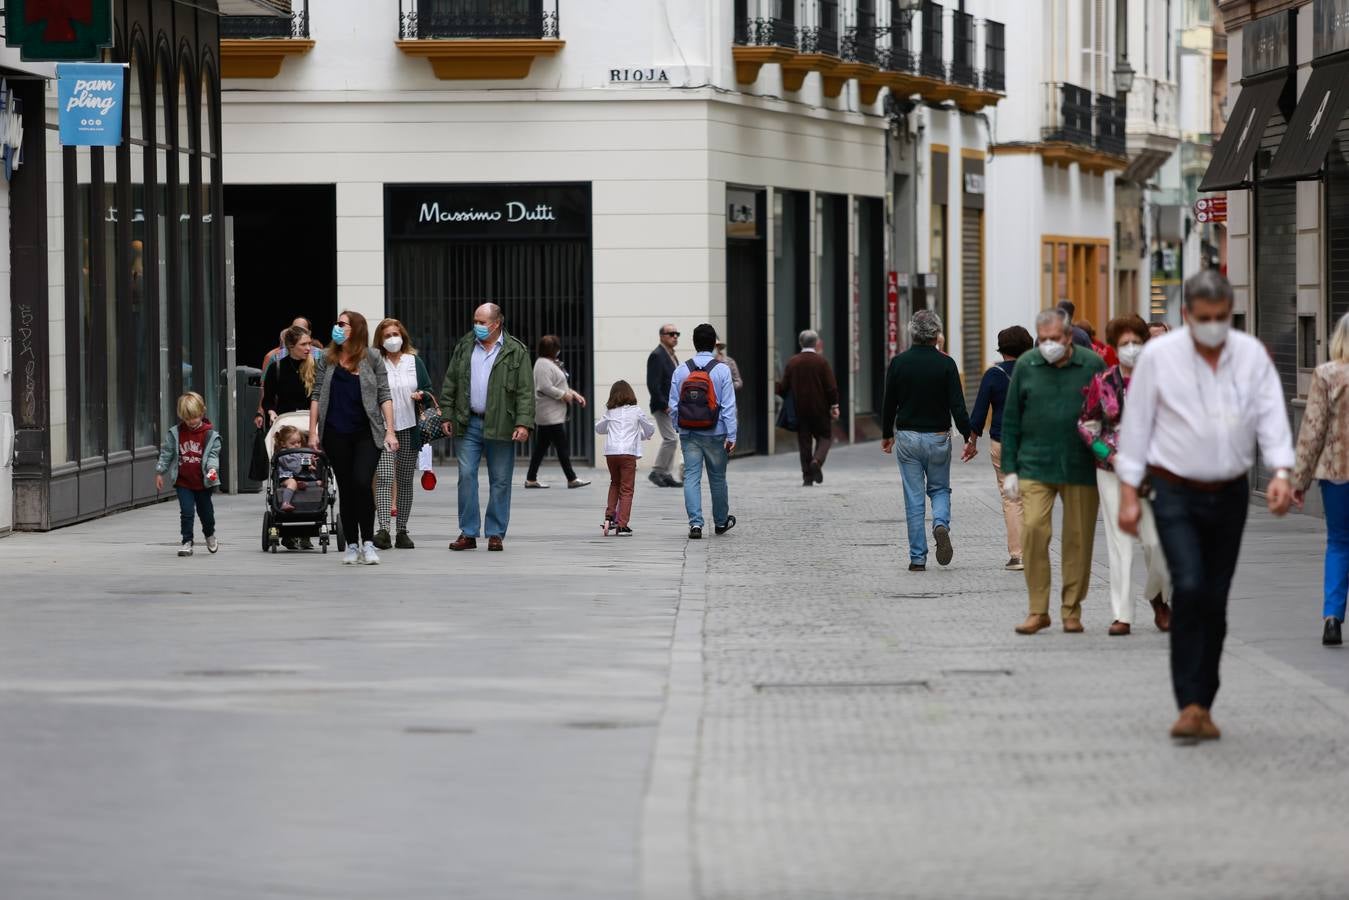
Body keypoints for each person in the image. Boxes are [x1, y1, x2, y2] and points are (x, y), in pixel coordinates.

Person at [1116, 270, 1294, 741]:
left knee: (1214, 597)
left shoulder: (1249, 356)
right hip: (1174, 490)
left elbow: (1271, 414)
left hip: (1231, 493)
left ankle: (1205, 700)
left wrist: (1280, 472)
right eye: (1204, 318)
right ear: (1187, 315)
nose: (1213, 326)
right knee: (1189, 585)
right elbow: (1137, 427)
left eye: (1220, 318)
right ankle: (1188, 702)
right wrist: (1129, 493)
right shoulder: (1160, 357)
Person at [1001, 308, 1106, 634]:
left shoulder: (1091, 365)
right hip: (1035, 463)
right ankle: (1037, 609)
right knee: (1033, 530)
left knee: (1078, 539)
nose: (1049, 345)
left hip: (1080, 465)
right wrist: (1010, 471)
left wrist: (1101, 434)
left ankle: (1071, 609)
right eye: (1043, 339)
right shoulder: (1026, 366)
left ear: (1069, 337)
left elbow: (1111, 411)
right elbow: (1011, 419)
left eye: (1055, 339)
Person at [1076, 315, 1171, 636]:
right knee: (1120, 544)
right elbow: (1087, 425)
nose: (1131, 349)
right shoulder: (1102, 382)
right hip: (1112, 470)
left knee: (1155, 542)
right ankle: (1122, 614)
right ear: (1116, 348)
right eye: (1124, 344)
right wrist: (1109, 454)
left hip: (1152, 470)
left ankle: (1159, 597)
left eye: (1136, 342)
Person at [438, 303, 535, 552]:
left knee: (500, 480)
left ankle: (495, 533)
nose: (477, 326)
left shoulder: (516, 350)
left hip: (502, 423)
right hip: (468, 421)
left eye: (482, 322)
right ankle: (468, 532)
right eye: (475, 321)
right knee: (466, 475)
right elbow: (451, 382)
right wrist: (447, 414)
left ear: (496, 323)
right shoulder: (465, 345)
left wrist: (523, 423)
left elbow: (525, 391)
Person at [880, 310, 971, 572]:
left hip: (907, 437)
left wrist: (887, 434)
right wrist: (969, 435)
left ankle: (917, 558)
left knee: (914, 497)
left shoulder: (899, 363)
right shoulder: (946, 363)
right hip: (938, 437)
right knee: (940, 489)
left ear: (913, 333)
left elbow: (889, 403)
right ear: (937, 334)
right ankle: (940, 523)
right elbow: (957, 405)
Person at [308, 310, 398, 566]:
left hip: (367, 432)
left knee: (361, 482)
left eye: (342, 324)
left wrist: (390, 430)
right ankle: (351, 544)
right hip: (336, 432)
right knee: (347, 489)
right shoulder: (327, 358)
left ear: (355, 328)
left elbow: (384, 394)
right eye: (337, 323)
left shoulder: (373, 357)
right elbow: (316, 395)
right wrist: (313, 432)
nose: (337, 327)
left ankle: (368, 542)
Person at [1291, 313, 1349, 646]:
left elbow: (1312, 431)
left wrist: (1300, 481)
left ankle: (1332, 617)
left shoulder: (1327, 374)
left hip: (1337, 473)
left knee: (1340, 542)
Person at [965, 325, 1034, 570]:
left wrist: (971, 441)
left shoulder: (993, 374)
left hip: (1003, 442)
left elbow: (979, 413)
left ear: (1002, 349)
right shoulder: (1039, 372)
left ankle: (1018, 556)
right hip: (1035, 442)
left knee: (1011, 498)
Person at [669, 323, 738, 540]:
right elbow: (728, 406)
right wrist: (732, 435)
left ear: (694, 343)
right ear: (713, 344)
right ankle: (720, 522)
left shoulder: (681, 370)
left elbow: (673, 405)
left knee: (691, 477)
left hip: (689, 432)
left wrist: (678, 426)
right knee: (717, 478)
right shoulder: (722, 369)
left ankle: (696, 525)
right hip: (715, 433)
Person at [372, 318, 434, 551]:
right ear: (380, 339)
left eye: (395, 334)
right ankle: (384, 529)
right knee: (386, 477)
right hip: (384, 430)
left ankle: (402, 530)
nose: (392, 339)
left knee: (405, 480)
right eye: (387, 335)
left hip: (409, 428)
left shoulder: (413, 361)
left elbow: (429, 390)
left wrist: (421, 395)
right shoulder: (376, 362)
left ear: (403, 336)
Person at [155, 391, 222, 557]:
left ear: (202, 412)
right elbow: (167, 453)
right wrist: (160, 472)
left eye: (195, 417)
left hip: (203, 482)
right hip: (183, 481)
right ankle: (187, 541)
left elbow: (213, 456)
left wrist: (212, 470)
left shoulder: (210, 435)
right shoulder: (176, 433)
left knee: (206, 513)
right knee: (186, 512)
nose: (191, 422)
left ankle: (209, 534)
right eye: (187, 418)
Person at [526, 334, 590, 490]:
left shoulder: (550, 363)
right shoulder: (542, 365)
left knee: (541, 447)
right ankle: (572, 478)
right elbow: (544, 387)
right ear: (553, 350)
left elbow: (560, 384)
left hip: (552, 413)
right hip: (549, 414)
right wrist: (564, 395)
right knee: (562, 446)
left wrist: (574, 394)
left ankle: (531, 479)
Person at [778, 330, 840, 486]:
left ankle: (807, 477)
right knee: (825, 437)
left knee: (804, 442)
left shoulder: (793, 362)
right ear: (816, 343)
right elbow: (831, 387)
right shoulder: (822, 362)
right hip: (820, 409)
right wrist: (834, 405)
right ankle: (817, 461)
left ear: (800, 343)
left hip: (800, 410)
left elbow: (783, 387)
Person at [595, 380, 656, 536]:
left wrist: (611, 425)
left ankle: (609, 517)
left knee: (614, 483)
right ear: (630, 394)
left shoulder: (610, 412)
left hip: (611, 453)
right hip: (628, 454)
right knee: (627, 489)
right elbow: (649, 429)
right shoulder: (636, 411)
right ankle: (622, 525)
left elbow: (599, 428)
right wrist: (645, 435)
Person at [646, 324, 684, 487]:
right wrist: (664, 404)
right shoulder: (657, 355)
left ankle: (665, 473)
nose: (675, 336)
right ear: (662, 336)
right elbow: (653, 384)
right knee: (670, 439)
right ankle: (657, 471)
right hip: (662, 406)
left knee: (672, 439)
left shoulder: (671, 355)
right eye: (671, 334)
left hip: (672, 405)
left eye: (677, 334)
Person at [261, 325, 316, 424]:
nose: (308, 348)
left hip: (310, 422)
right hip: (286, 423)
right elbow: (268, 400)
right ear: (291, 346)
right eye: (303, 344)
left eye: (309, 344)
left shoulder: (315, 366)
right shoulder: (276, 368)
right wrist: (271, 412)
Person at [273, 424, 313, 512]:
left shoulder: (301, 451)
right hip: (286, 477)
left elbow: (306, 456)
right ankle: (285, 503)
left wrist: (311, 459)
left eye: (298, 442)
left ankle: (302, 485)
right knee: (293, 483)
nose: (297, 445)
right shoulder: (284, 454)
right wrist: (306, 466)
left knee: (317, 482)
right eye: (293, 443)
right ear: (283, 444)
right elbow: (293, 466)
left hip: (299, 477)